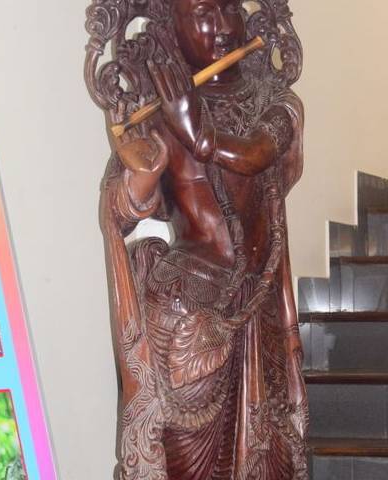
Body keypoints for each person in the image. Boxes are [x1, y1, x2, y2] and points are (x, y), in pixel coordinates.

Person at [95, 1, 308, 478]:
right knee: (184, 459)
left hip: (259, 302)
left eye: (229, 8)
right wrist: (142, 170)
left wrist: (202, 136)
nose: (223, 26)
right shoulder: (156, 110)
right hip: (186, 311)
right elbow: (121, 211)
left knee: (270, 454)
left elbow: (257, 154)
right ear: (171, 24)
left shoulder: (273, 100)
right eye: (203, 12)